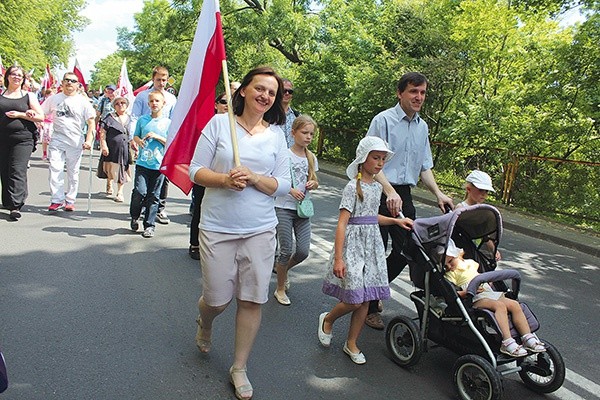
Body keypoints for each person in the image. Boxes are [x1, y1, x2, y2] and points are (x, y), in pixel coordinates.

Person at [188, 66, 290, 400]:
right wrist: (224, 180)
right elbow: (195, 171)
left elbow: (284, 185)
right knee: (217, 300)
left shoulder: (276, 134)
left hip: (260, 229)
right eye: (259, 88)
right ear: (243, 90)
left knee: (251, 299)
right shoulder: (219, 124)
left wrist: (255, 178)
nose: (265, 96)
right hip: (218, 227)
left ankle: (239, 367)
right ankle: (206, 321)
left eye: (271, 92)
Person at [365, 71, 454, 329]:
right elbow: (371, 162)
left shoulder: (422, 126)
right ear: (400, 93)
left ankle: (373, 292)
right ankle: (370, 307)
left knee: (409, 250)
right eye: (413, 91)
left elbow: (424, 165)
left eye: (423, 92)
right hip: (377, 190)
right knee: (375, 251)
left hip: (403, 195)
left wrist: (438, 193)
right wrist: (388, 190)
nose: (418, 97)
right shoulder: (383, 120)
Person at [319, 137, 413, 365]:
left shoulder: (378, 187)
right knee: (353, 299)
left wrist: (395, 222)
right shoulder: (352, 187)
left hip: (371, 246)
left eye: (383, 159)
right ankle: (328, 320)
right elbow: (344, 222)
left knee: (366, 299)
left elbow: (371, 218)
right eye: (375, 158)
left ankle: (351, 342)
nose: (380, 163)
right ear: (363, 159)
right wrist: (339, 258)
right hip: (353, 246)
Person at [443, 239, 545, 357]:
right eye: (445, 265)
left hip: (488, 292)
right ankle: (507, 341)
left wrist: (488, 279)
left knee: (514, 304)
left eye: (451, 261)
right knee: (499, 306)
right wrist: (466, 292)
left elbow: (481, 274)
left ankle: (527, 336)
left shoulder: (470, 263)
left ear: (459, 255)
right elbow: (454, 293)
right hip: (475, 298)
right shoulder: (450, 274)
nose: (449, 266)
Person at [273, 115, 320, 305]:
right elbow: (275, 180)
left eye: (311, 134)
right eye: (304, 132)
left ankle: (283, 271)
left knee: (302, 251)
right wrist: (290, 189)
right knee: (285, 250)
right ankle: (280, 288)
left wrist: (313, 184)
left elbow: (315, 180)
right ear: (293, 133)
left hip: (303, 210)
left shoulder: (311, 157)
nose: (308, 137)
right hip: (283, 207)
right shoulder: (284, 155)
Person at [41, 72, 95, 212]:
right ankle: (56, 200)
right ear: (62, 83)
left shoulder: (83, 101)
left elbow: (91, 123)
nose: (70, 83)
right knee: (55, 169)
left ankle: (70, 200)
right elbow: (41, 113)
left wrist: (89, 140)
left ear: (78, 85)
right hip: (57, 139)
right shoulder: (54, 99)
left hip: (75, 141)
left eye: (73, 81)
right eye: (67, 80)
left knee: (73, 172)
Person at [131, 66, 177, 225]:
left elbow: (174, 121)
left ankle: (159, 209)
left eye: (165, 80)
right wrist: (134, 139)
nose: (162, 83)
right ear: (153, 79)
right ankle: (141, 210)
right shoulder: (143, 96)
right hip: (145, 145)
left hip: (162, 146)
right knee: (142, 188)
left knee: (161, 181)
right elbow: (135, 117)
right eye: (158, 79)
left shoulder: (171, 98)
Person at [0, 65, 45, 220]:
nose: (16, 77)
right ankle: (7, 201)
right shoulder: (1, 95)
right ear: (7, 77)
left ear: (23, 79)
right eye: (13, 74)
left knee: (17, 169)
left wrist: (23, 114)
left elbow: (40, 116)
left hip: (23, 139)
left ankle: (15, 205)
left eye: (20, 75)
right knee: (4, 170)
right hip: (3, 138)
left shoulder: (28, 96)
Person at [188, 92, 228, 260]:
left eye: (232, 102)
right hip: (206, 175)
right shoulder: (210, 122)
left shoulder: (237, 126)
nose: (227, 105)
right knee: (200, 206)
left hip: (227, 179)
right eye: (224, 101)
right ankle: (195, 243)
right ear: (216, 104)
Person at [129, 91, 170, 238]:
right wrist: (138, 141)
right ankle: (134, 215)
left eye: (157, 101)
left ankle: (149, 225)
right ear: (148, 104)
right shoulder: (143, 120)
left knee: (154, 195)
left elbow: (171, 143)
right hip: (142, 162)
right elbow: (136, 135)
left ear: (163, 103)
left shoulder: (168, 123)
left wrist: (157, 137)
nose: (154, 104)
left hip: (158, 165)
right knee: (140, 191)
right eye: (152, 101)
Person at [455, 170, 501, 260]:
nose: (484, 194)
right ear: (469, 189)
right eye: (480, 190)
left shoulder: (483, 211)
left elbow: (486, 235)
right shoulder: (461, 208)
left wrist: (494, 250)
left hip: (475, 251)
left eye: (486, 191)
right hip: (460, 251)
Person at [99, 96, 132, 203]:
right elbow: (102, 133)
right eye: (117, 103)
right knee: (110, 167)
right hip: (111, 148)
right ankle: (109, 182)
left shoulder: (131, 118)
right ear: (114, 106)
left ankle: (120, 192)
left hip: (124, 149)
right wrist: (103, 145)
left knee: (121, 169)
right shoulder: (109, 117)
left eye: (123, 103)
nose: (120, 105)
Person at [276, 78, 300, 148]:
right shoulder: (267, 115)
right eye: (284, 90)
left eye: (290, 91)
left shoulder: (297, 117)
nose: (287, 93)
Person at [39, 88, 55, 161]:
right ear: (47, 95)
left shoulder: (55, 103)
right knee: (44, 140)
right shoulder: (42, 102)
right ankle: (44, 153)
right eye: (50, 94)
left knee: (52, 139)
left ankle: (52, 154)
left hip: (53, 123)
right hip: (45, 122)